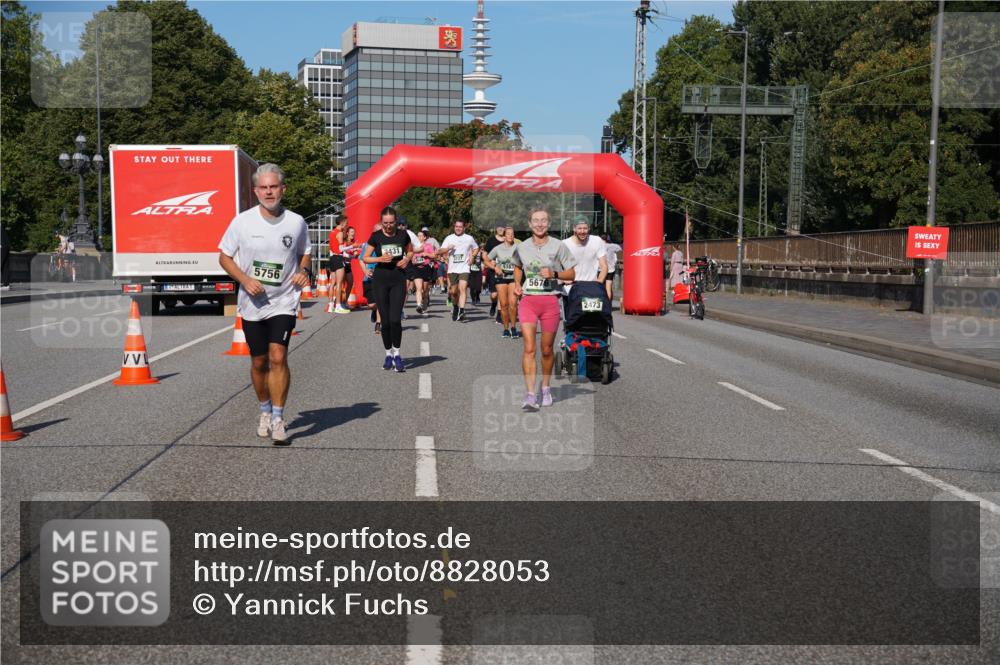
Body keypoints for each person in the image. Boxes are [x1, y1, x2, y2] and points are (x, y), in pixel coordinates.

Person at [218, 163, 311, 444]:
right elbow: (224, 257)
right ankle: (265, 410)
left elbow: (304, 252)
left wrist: (303, 271)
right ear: (256, 190)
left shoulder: (296, 222)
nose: (269, 192)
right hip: (252, 303)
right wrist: (245, 280)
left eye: (274, 187)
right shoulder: (242, 222)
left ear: (283, 188)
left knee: (278, 357)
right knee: (259, 362)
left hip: (283, 300)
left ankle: (279, 418)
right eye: (264, 188)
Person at [512, 207, 576, 410]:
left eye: (544, 220)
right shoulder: (522, 247)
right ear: (529, 224)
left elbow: (572, 273)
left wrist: (555, 274)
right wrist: (516, 283)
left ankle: (546, 388)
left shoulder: (559, 246)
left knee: (546, 350)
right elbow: (517, 266)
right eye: (535, 220)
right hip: (529, 301)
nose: (539, 224)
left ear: (549, 224)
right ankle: (531, 394)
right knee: (529, 348)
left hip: (550, 302)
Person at [362, 205, 412, 372]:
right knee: (385, 321)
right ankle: (388, 354)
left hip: (398, 279)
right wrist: (380, 259)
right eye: (385, 223)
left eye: (391, 223)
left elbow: (410, 251)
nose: (389, 226)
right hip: (380, 280)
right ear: (381, 222)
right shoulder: (376, 237)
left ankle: (397, 355)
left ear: (396, 221)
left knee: (395, 319)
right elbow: (366, 258)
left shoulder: (403, 235)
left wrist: (406, 260)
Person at [437, 220, 479, 322]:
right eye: (456, 226)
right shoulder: (449, 238)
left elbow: (476, 248)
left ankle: (462, 310)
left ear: (464, 228)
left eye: (460, 227)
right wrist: (447, 248)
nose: (458, 228)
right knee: (454, 292)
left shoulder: (469, 238)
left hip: (464, 267)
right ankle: (455, 307)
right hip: (452, 269)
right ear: (454, 227)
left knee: (463, 289)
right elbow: (439, 251)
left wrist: (472, 256)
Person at [484, 226, 519, 338]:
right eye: (508, 234)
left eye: (512, 234)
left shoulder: (518, 248)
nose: (510, 236)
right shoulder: (498, 248)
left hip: (514, 278)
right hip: (501, 278)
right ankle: (506, 329)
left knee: (513, 304)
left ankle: (513, 328)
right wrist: (495, 268)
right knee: (504, 305)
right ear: (504, 236)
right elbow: (486, 260)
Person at [561, 218, 607, 288]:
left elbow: (604, 266)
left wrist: (599, 281)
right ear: (574, 228)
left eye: (585, 228)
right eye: (579, 228)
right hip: (570, 288)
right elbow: (554, 265)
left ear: (589, 228)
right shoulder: (564, 244)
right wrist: (561, 279)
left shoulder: (597, 241)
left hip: (591, 287)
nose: (582, 231)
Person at [327, 214, 349, 313]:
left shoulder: (332, 232)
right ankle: (338, 306)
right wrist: (352, 247)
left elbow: (331, 247)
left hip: (331, 258)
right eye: (346, 223)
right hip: (338, 257)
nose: (347, 225)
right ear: (342, 223)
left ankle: (331, 305)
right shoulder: (339, 233)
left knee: (332, 283)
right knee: (339, 283)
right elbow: (340, 248)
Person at [484, 225, 506, 320]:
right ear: (496, 229)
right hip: (492, 270)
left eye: (503, 227)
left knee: (501, 293)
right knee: (494, 295)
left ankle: (499, 314)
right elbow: (484, 254)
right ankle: (493, 304)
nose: (501, 229)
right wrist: (489, 261)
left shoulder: (508, 240)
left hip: (505, 270)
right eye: (498, 227)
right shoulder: (491, 240)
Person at [411, 229, 436, 315]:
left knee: (425, 290)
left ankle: (424, 303)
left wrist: (427, 254)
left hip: (426, 268)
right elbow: (410, 255)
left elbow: (434, 255)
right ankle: (418, 305)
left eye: (420, 236)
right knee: (418, 288)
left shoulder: (428, 246)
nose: (418, 237)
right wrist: (412, 260)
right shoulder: (414, 246)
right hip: (416, 268)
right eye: (417, 236)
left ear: (425, 237)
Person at [340, 226, 359, 308]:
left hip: (348, 265)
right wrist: (352, 255)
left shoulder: (353, 242)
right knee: (341, 284)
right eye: (351, 232)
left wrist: (356, 254)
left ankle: (345, 301)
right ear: (347, 233)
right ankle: (338, 302)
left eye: (354, 232)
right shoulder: (345, 241)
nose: (353, 233)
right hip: (342, 264)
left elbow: (355, 254)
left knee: (350, 283)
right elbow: (342, 252)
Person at [602, 234, 623, 301]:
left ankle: (603, 304)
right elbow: (620, 250)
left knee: (600, 287)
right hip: (610, 269)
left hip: (601, 269)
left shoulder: (598, 246)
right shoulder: (613, 246)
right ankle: (608, 304)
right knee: (608, 287)